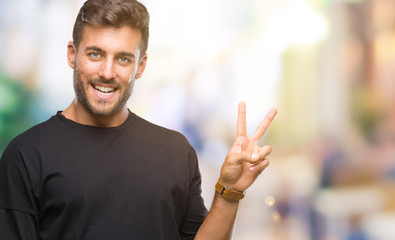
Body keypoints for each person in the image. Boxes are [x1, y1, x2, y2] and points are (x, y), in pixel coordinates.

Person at [0, 0, 277, 239]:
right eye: (95, 54)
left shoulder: (174, 151)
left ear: (140, 66)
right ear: (72, 54)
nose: (107, 72)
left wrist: (229, 190)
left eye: (122, 59)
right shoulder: (26, 155)